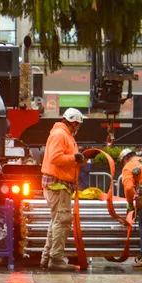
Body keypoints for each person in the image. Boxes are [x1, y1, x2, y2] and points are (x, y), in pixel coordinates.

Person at [40, 107, 85, 271]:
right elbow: (56, 158)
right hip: (58, 184)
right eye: (78, 125)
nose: (78, 128)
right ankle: (56, 258)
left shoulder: (64, 134)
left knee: (56, 221)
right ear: (73, 123)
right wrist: (74, 157)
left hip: (58, 184)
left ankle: (47, 257)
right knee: (62, 222)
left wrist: (77, 158)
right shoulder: (60, 134)